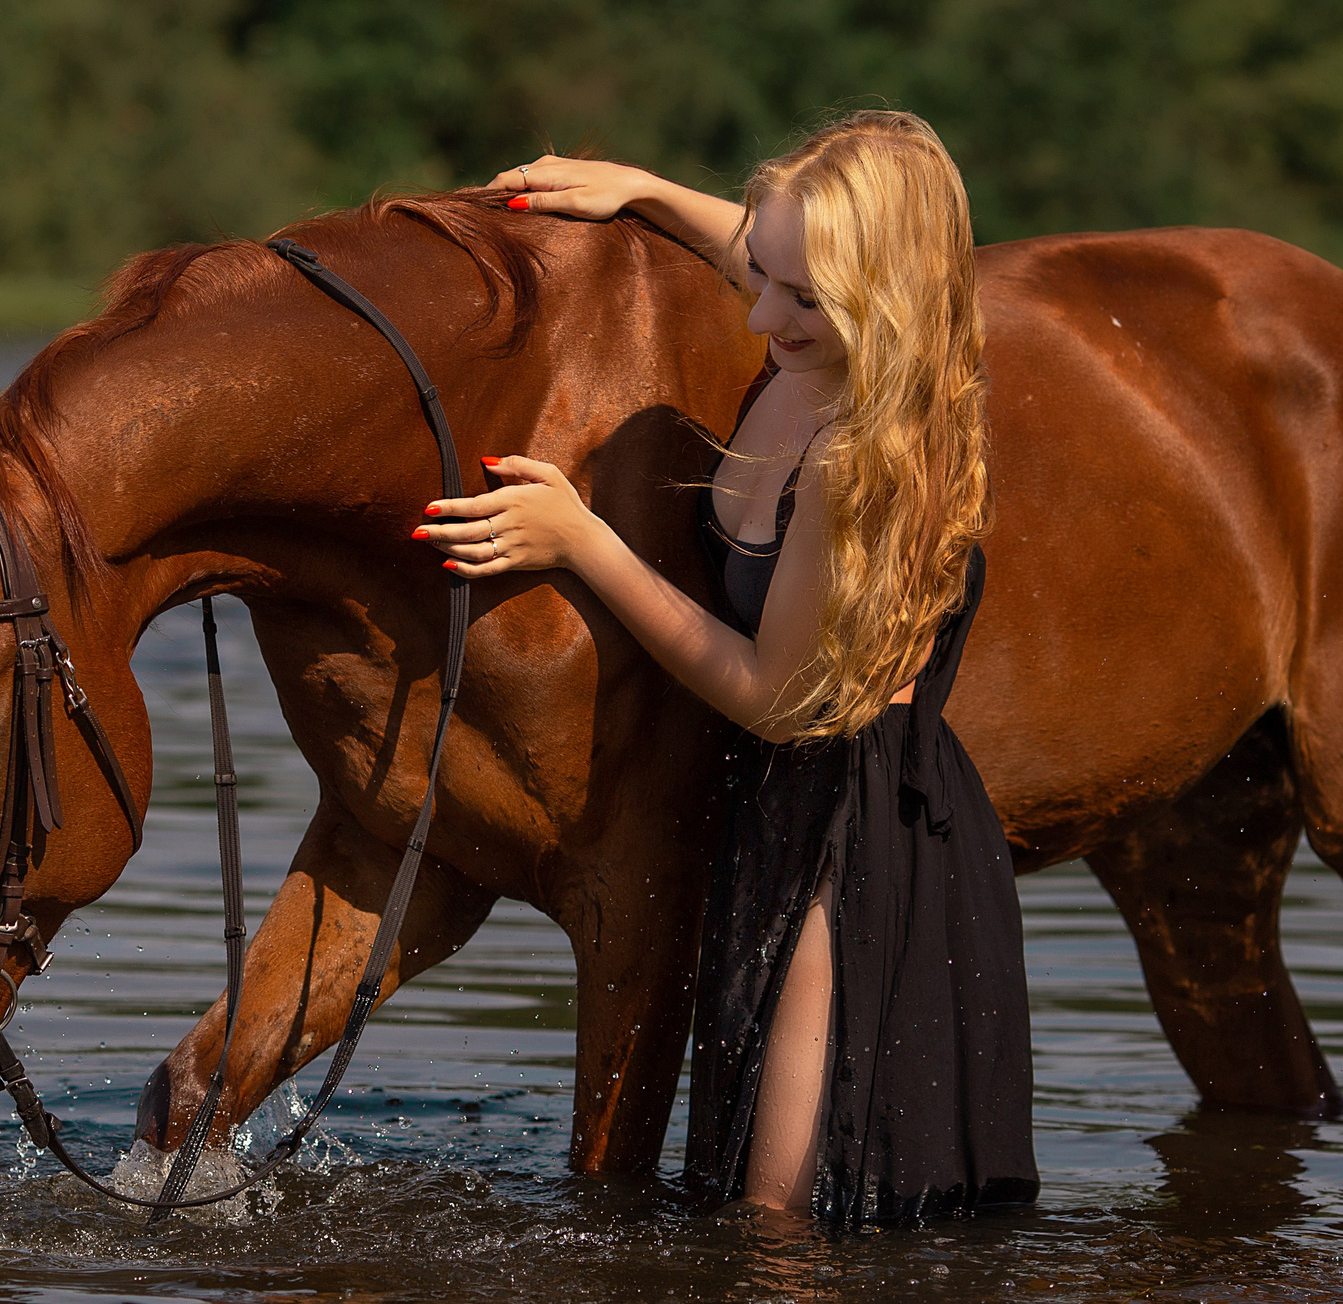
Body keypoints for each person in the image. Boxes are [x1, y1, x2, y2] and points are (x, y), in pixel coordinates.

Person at [412, 113, 1037, 1226]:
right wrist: (638, 185)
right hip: (783, 815)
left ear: (877, 293)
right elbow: (748, 244)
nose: (759, 311)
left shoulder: (858, 458)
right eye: (769, 275)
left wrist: (582, 543)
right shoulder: (830, 340)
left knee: (779, 1218)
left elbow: (772, 694)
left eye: (797, 297)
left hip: (852, 843)